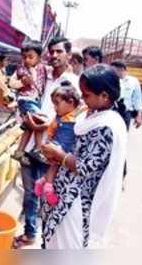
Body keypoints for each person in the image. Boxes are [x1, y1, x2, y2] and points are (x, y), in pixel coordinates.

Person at [40, 64, 127, 249]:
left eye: (86, 95)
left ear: (104, 96)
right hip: (64, 189)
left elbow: (85, 167)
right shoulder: (93, 115)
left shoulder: (107, 126)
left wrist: (59, 154)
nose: (83, 99)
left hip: (76, 200)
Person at [12, 36, 79, 248]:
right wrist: (25, 118)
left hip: (49, 149)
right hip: (31, 142)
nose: (55, 55)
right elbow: (21, 97)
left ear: (69, 55)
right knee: (29, 193)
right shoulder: (43, 74)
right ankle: (30, 233)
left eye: (59, 51)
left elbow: (75, 119)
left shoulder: (74, 84)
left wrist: (45, 127)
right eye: (52, 51)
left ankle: (48, 240)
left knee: (45, 192)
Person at [34, 81, 85, 206]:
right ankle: (48, 188)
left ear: (71, 102)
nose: (55, 108)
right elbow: (52, 128)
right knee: (55, 164)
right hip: (61, 145)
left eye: (57, 104)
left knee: (55, 165)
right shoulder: (63, 116)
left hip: (63, 145)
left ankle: (43, 181)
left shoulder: (78, 114)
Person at [10, 40, 48, 163]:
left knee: (29, 128)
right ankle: (37, 149)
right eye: (24, 57)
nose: (27, 60)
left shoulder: (43, 68)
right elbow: (11, 83)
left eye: (30, 57)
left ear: (39, 57)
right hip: (25, 100)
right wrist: (22, 82)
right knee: (39, 121)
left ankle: (19, 153)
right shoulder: (21, 70)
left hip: (35, 100)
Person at [110, 60, 142, 186]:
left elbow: (137, 99)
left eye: (114, 70)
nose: (113, 72)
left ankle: (121, 176)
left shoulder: (133, 81)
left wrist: (139, 115)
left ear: (122, 69)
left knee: (120, 144)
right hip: (112, 112)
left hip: (125, 115)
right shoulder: (112, 80)